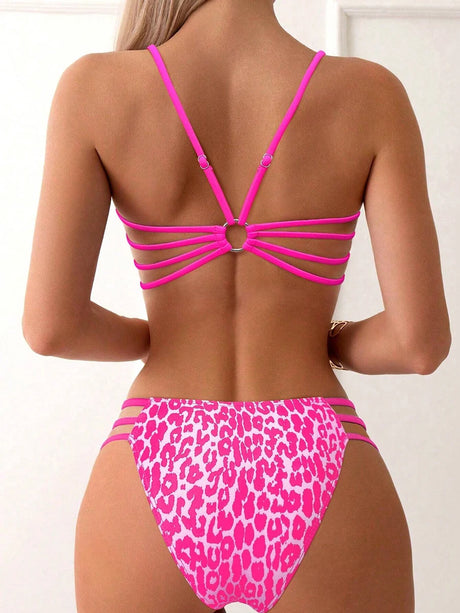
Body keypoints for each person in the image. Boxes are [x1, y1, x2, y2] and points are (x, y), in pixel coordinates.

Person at [22, 0, 451, 612]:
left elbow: (51, 328)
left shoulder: (94, 88)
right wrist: (321, 338)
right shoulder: (370, 95)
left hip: (158, 453)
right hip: (315, 454)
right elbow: (418, 343)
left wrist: (157, 337)